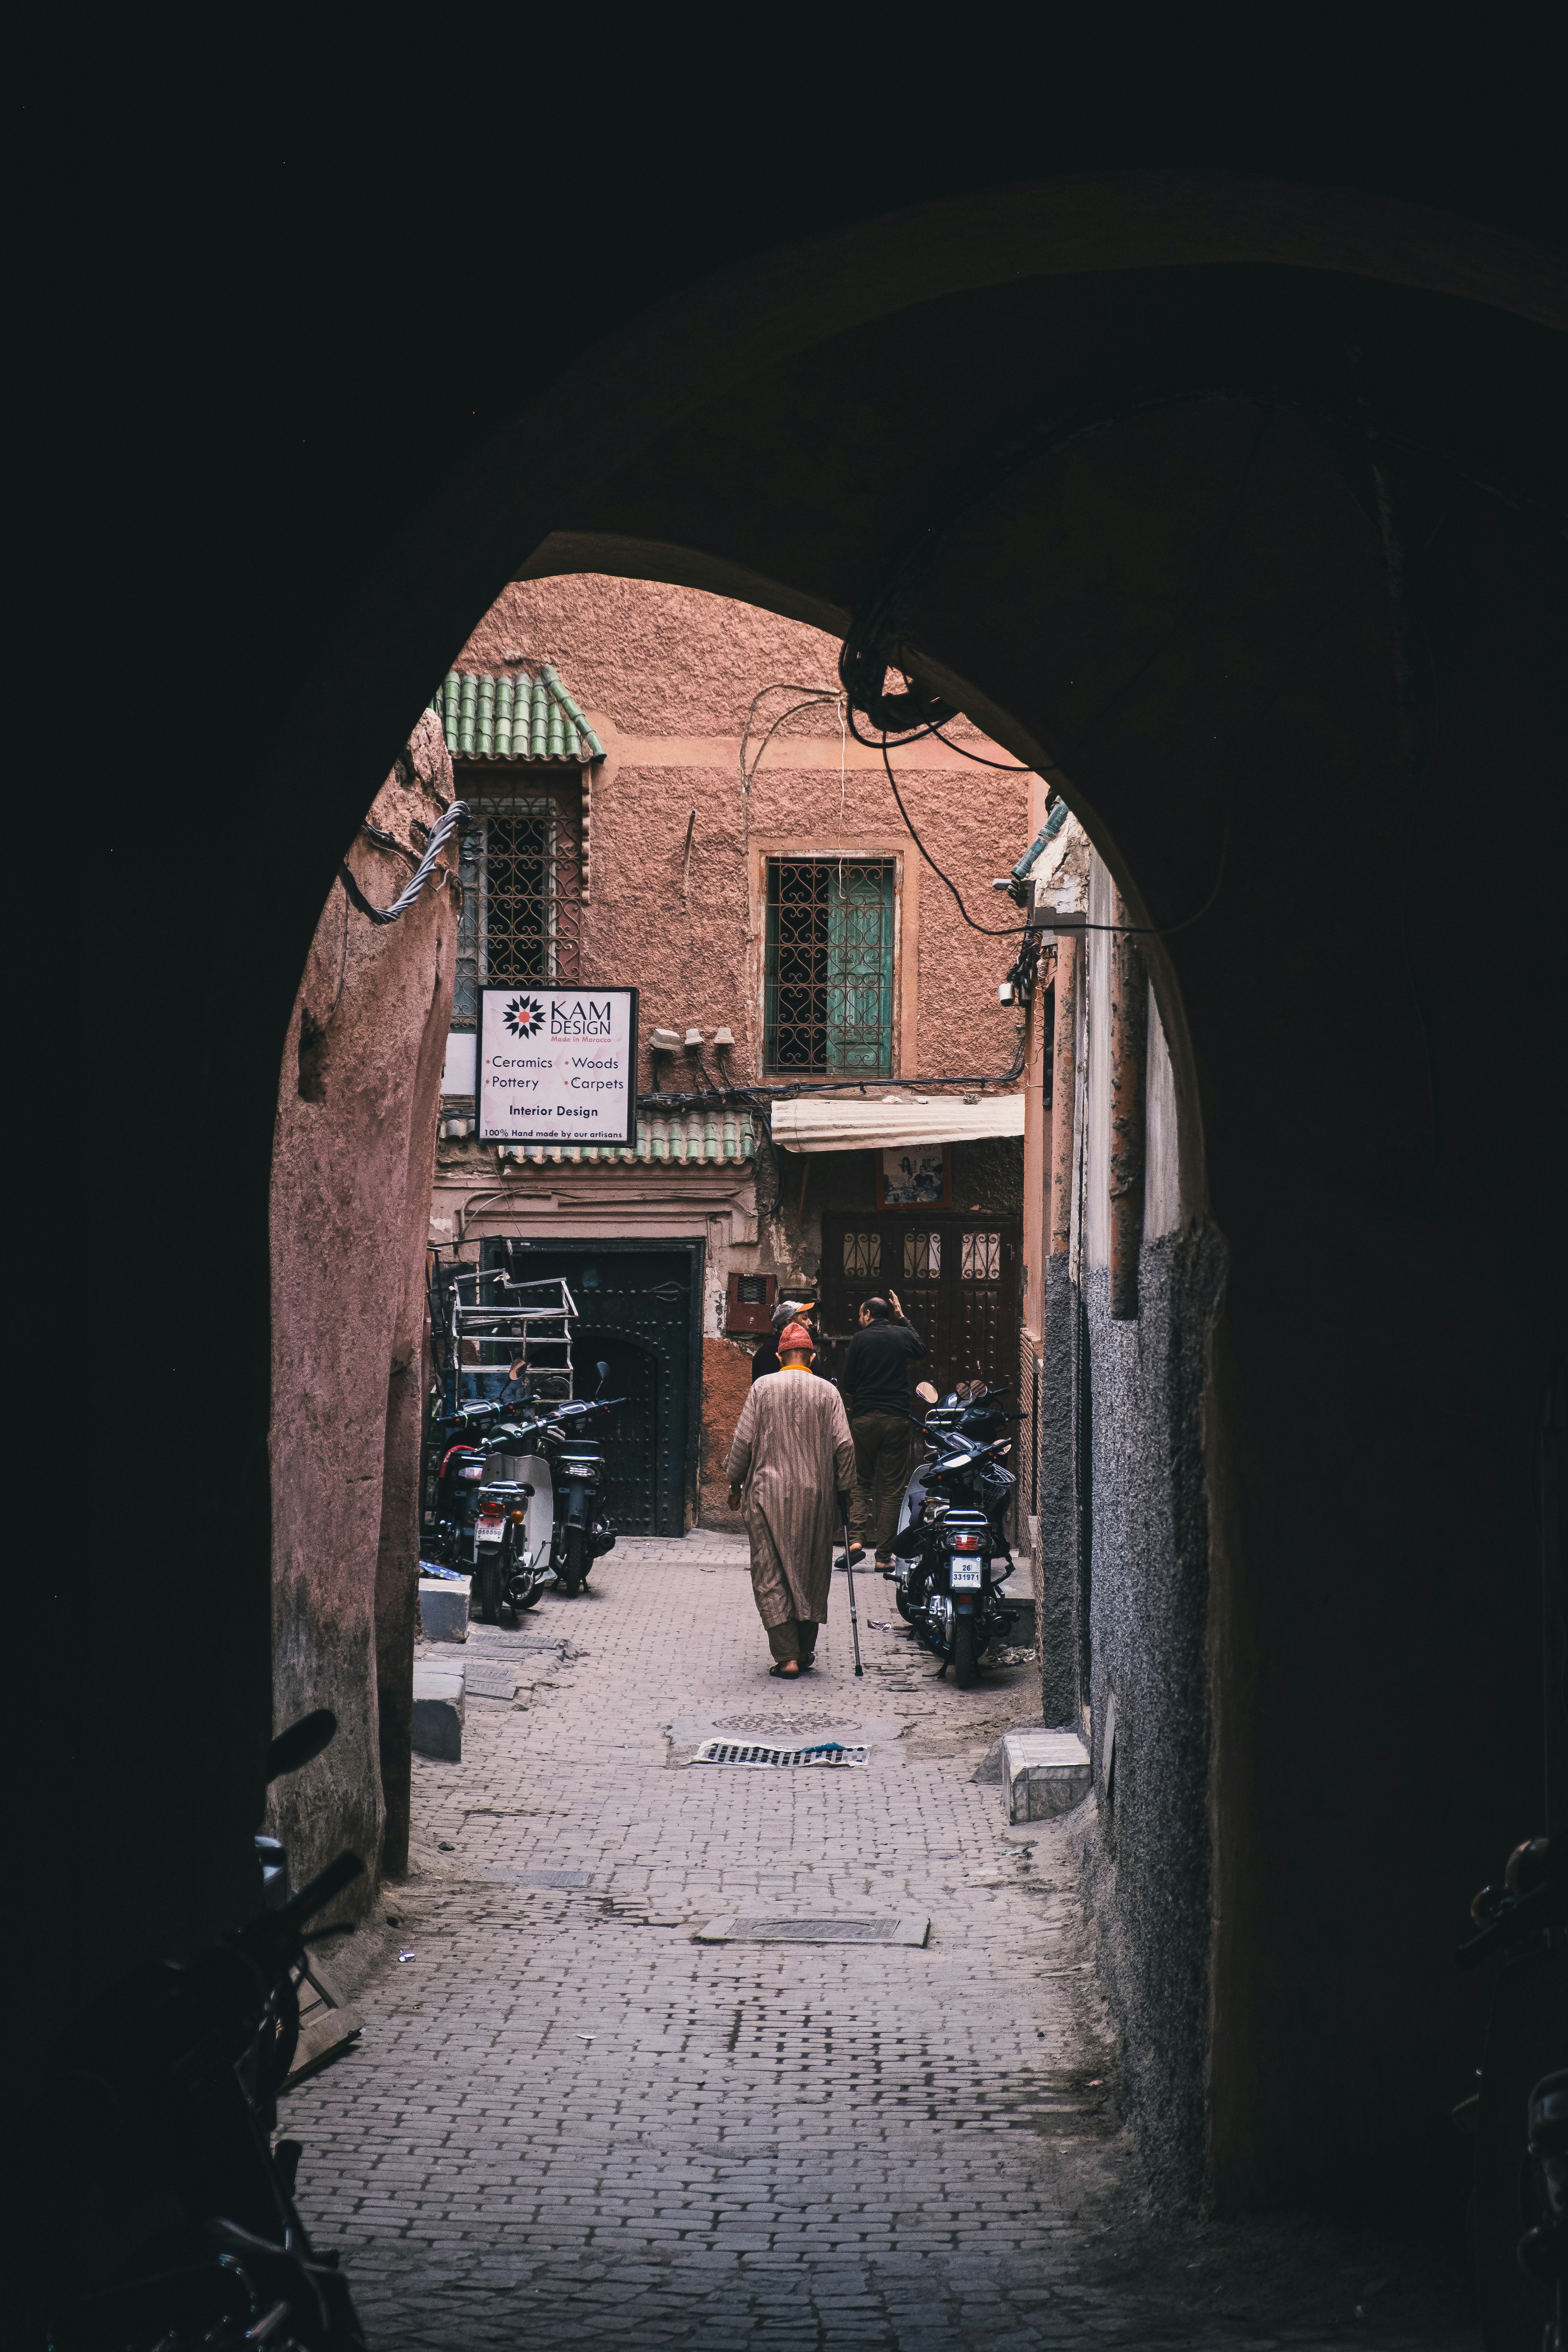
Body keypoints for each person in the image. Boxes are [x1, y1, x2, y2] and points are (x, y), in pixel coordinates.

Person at [726, 1321, 854, 1677]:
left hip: (767, 1496)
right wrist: (845, 1491)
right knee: (811, 1572)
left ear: (781, 1356)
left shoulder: (762, 1388)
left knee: (770, 1573)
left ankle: (787, 1657)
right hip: (817, 1498)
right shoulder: (828, 1393)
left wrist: (735, 1485)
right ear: (811, 1357)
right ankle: (804, 1648)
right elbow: (844, 1446)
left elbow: (743, 1442)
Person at [840, 1290, 926, 1569]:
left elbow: (848, 1384)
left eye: (860, 1315)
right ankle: (883, 1557)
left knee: (861, 1483)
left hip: (864, 1419)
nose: (860, 1320)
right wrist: (903, 1319)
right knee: (892, 1489)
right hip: (896, 1419)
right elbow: (921, 1350)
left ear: (868, 1315)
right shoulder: (901, 1336)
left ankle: (855, 1540)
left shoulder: (860, 1339)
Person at [749, 1294, 818, 1383]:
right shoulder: (804, 1350)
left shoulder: (763, 1351)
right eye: (805, 1318)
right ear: (789, 1322)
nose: (810, 1323)